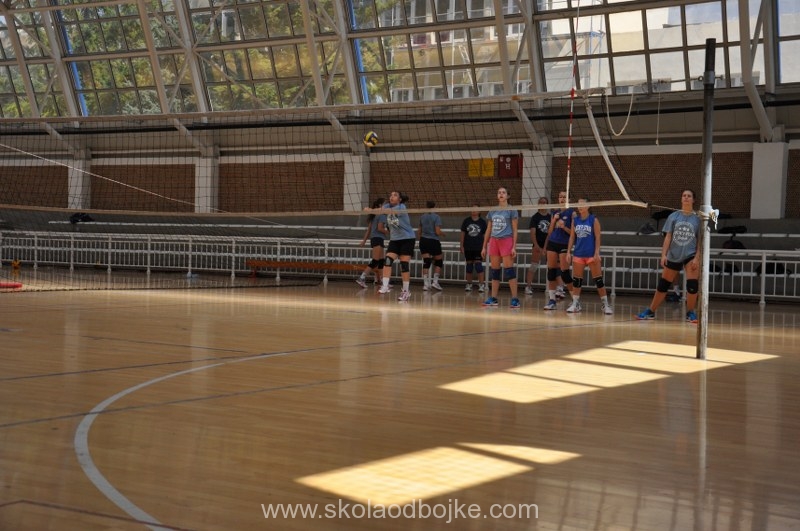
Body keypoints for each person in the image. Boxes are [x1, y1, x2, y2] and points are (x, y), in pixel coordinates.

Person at [636, 189, 701, 323]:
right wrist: (663, 255)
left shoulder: (697, 219)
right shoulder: (673, 216)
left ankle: (690, 312)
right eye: (684, 196)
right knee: (663, 285)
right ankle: (651, 311)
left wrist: (697, 257)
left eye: (689, 196)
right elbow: (668, 237)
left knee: (692, 285)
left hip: (690, 255)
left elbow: (701, 240)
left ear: (693, 200)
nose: (686, 198)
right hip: (674, 254)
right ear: (681, 199)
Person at [565, 197, 613, 315]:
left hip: (591, 254)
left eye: (582, 204)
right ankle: (575, 304)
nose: (580, 206)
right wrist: (568, 252)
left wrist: (597, 253)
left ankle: (605, 304)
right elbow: (572, 237)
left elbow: (598, 237)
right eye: (578, 204)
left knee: (598, 280)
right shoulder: (575, 220)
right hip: (578, 254)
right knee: (577, 280)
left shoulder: (593, 220)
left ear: (588, 206)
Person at [481, 186, 521, 308]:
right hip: (494, 241)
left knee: (509, 271)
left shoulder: (512, 210)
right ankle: (493, 298)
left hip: (506, 240)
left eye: (503, 192)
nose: (501, 194)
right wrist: (484, 246)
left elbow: (515, 229)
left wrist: (514, 246)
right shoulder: (493, 210)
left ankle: (515, 299)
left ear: (508, 196)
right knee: (495, 271)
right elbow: (488, 229)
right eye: (499, 192)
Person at [375, 191, 416, 302]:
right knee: (388, 260)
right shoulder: (387, 206)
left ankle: (406, 291)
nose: (392, 197)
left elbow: (385, 211)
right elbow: (381, 210)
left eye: (395, 195)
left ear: (400, 199)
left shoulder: (402, 207)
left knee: (404, 265)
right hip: (394, 240)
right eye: (391, 195)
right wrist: (370, 210)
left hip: (407, 239)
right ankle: (385, 286)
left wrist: (372, 210)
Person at [543, 191, 575, 310]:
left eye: (564, 197)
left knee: (565, 274)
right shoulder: (555, 212)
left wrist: (563, 227)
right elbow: (550, 232)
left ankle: (575, 301)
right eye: (560, 196)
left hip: (564, 244)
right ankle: (552, 300)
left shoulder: (572, 213)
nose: (562, 199)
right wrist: (553, 221)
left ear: (569, 199)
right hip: (553, 242)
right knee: (551, 272)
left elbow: (573, 233)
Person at [356, 197, 387, 288]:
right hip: (378, 238)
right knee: (375, 261)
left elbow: (368, 230)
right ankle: (361, 278)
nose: (386, 205)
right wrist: (388, 231)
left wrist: (364, 241)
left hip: (375, 239)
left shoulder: (373, 215)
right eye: (385, 204)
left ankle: (383, 282)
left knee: (381, 261)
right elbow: (380, 228)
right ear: (380, 205)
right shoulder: (382, 215)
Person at [524, 197, 551, 295]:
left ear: (547, 204)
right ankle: (528, 286)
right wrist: (536, 246)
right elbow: (532, 233)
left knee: (552, 267)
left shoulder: (550, 217)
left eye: (544, 202)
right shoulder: (535, 217)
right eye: (541, 202)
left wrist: (545, 247)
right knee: (534, 265)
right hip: (537, 244)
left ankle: (552, 288)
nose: (542, 204)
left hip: (548, 245)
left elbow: (550, 233)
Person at [418, 201, 445, 291]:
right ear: (434, 207)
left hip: (423, 240)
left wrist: (421, 240)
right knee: (439, 261)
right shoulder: (436, 217)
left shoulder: (422, 217)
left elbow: (419, 231)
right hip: (433, 241)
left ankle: (426, 285)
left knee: (426, 262)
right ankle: (435, 282)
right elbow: (437, 231)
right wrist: (443, 234)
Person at [460, 205, 487, 292]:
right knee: (469, 266)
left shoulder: (482, 222)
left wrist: (485, 247)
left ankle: (481, 285)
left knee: (478, 266)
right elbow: (463, 233)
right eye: (472, 209)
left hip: (478, 247)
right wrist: (461, 245)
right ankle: (469, 284)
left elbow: (485, 235)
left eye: (476, 209)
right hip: (468, 247)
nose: (474, 210)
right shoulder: (466, 221)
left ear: (479, 211)